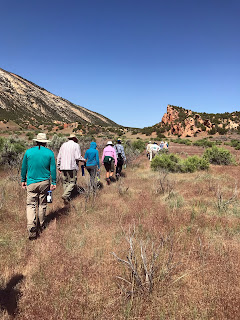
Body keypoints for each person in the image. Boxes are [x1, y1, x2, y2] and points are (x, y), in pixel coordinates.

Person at [21, 133, 56, 240]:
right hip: (44, 182)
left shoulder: (28, 152)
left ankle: (31, 226)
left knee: (31, 205)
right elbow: (53, 169)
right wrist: (53, 182)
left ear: (36, 141)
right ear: (45, 142)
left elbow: (24, 168)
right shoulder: (50, 153)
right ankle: (42, 224)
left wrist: (23, 180)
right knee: (42, 204)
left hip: (31, 182)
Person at [57, 134, 85, 204]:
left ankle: (67, 198)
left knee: (65, 182)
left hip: (63, 166)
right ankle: (65, 195)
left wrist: (58, 166)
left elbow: (59, 156)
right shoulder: (76, 145)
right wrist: (84, 160)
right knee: (72, 182)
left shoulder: (63, 145)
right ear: (75, 139)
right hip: (72, 166)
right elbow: (78, 157)